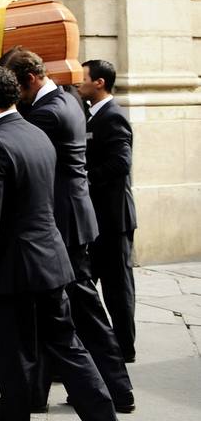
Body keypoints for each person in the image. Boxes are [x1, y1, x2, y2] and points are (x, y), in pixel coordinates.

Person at [0, 66, 136, 421]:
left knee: (12, 359)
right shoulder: (37, 134)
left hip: (13, 271)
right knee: (70, 351)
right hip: (51, 261)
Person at [0, 47, 133, 413]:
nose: (14, 96)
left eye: (16, 87)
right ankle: (31, 394)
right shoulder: (67, 98)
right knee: (48, 312)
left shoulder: (48, 113)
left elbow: (17, 149)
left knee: (85, 313)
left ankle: (118, 391)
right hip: (70, 216)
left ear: (30, 80)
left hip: (64, 222)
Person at [77, 59, 137, 362]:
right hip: (98, 219)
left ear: (99, 82)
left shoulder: (112, 116)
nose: (79, 82)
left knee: (117, 288)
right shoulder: (91, 115)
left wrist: (84, 179)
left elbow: (121, 164)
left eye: (84, 77)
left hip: (113, 219)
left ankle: (125, 348)